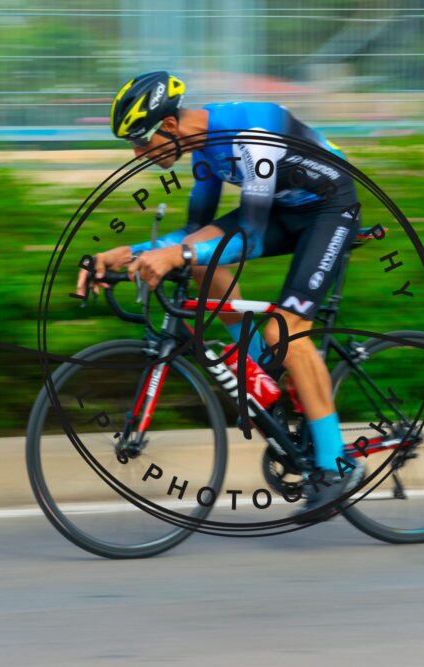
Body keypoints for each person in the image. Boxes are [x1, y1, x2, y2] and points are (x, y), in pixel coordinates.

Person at [76, 71, 362, 518]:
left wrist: (176, 254)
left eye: (140, 140)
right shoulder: (203, 152)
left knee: (285, 332)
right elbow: (194, 234)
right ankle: (261, 369)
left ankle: (335, 466)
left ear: (169, 126)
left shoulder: (250, 138)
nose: (137, 154)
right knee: (199, 260)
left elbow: (248, 235)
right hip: (285, 208)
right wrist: (126, 253)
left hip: (330, 209)